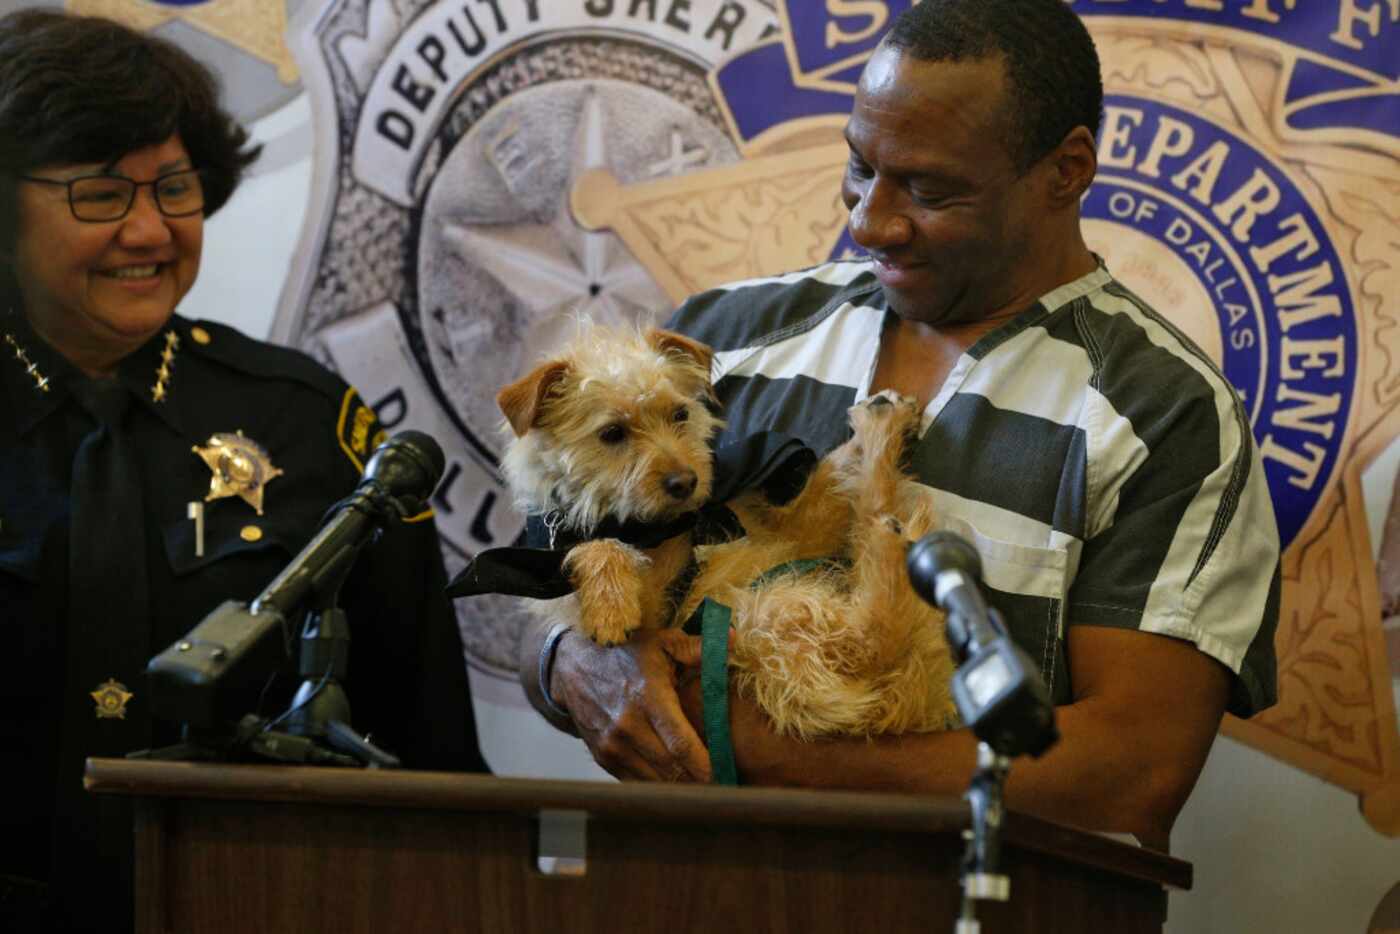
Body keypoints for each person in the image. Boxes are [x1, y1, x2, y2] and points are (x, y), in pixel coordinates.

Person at [519, 0, 1280, 854]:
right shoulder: (722, 345)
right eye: (859, 164)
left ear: (1065, 170)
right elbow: (548, 597)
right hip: (685, 891)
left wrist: (754, 753)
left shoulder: (1161, 412)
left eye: (927, 188)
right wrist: (569, 663)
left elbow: (1134, 775)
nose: (869, 220)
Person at [0, 11, 487, 933]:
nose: (148, 230)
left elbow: (427, 748)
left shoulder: (309, 423)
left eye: (174, 188)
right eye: (101, 194)